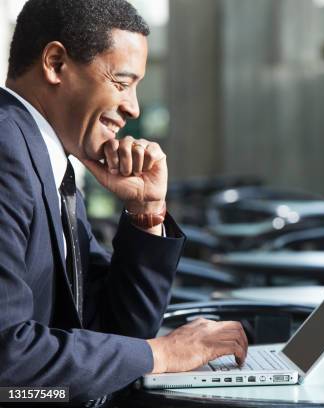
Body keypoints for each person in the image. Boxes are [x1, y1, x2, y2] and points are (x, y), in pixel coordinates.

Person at [0, 0, 248, 404]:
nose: (133, 107)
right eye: (121, 81)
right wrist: (163, 353)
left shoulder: (44, 157)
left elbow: (114, 329)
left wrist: (146, 213)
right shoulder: (6, 150)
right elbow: (8, 360)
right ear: (56, 63)